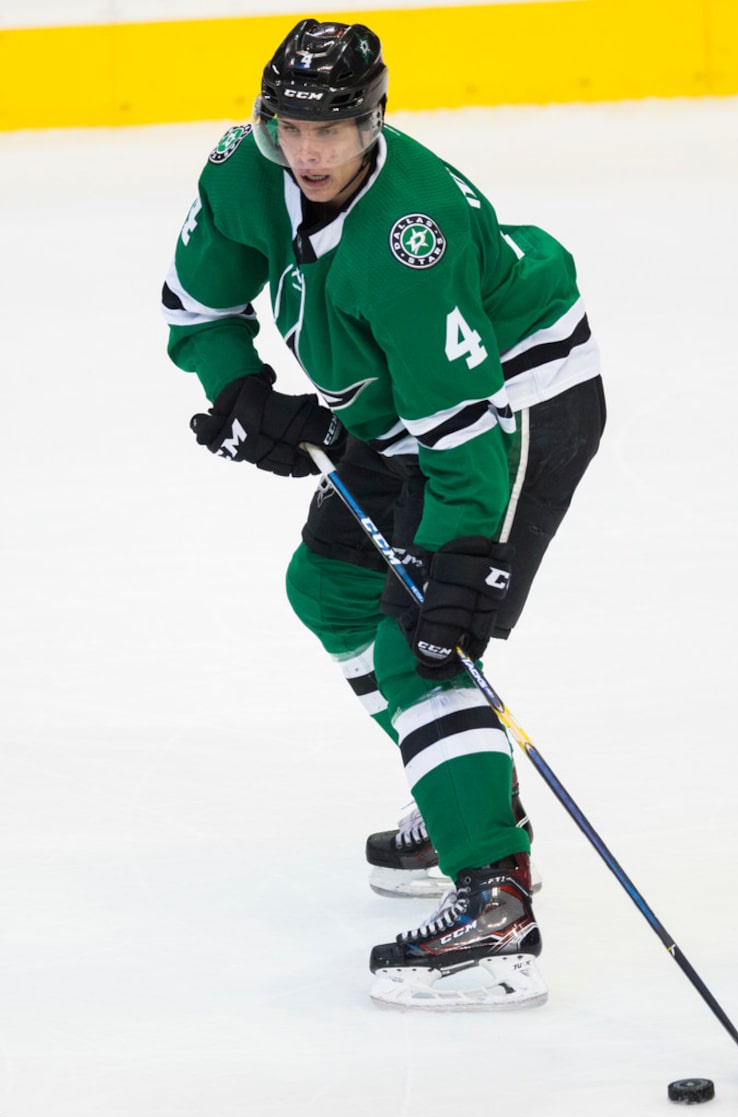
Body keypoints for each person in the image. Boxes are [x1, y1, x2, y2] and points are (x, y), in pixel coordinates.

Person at [162, 18, 605, 1011]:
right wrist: (241, 394)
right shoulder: (242, 170)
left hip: (513, 400)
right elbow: (196, 306)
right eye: (292, 126)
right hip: (396, 406)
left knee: (424, 635)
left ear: (375, 121)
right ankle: (461, 793)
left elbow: (460, 443)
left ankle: (495, 899)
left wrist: (459, 561)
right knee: (327, 586)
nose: (309, 150)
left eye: (335, 129)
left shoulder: (413, 238)